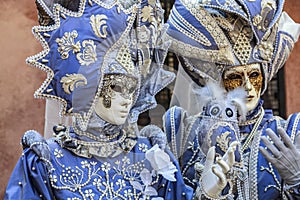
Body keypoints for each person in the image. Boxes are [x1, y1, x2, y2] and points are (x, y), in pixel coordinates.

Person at [4, 0, 193, 199]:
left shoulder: (151, 155)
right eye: (117, 87)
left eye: (132, 90)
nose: (127, 100)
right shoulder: (47, 160)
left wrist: (209, 191)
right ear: (89, 89)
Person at [163, 0, 300, 199]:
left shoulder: (288, 133)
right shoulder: (184, 133)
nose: (248, 87)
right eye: (235, 77)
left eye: (254, 75)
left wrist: (297, 181)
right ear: (218, 82)